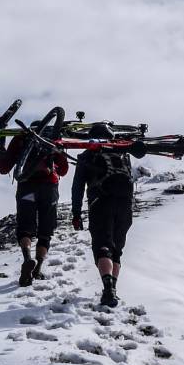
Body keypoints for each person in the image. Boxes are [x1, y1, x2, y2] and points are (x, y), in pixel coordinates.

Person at [70, 124, 136, 308]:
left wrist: (76, 213)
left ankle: (108, 290)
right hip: (125, 204)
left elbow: (77, 187)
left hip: (101, 202)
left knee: (103, 246)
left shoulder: (87, 155)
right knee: (117, 250)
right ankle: (113, 288)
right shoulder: (122, 154)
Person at [0, 126, 69, 286]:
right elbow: (63, 170)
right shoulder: (52, 140)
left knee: (25, 228)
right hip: (49, 188)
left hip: (27, 186)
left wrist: (1, 147)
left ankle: (27, 259)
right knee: (45, 232)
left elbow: (4, 168)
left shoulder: (20, 139)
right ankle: (38, 268)